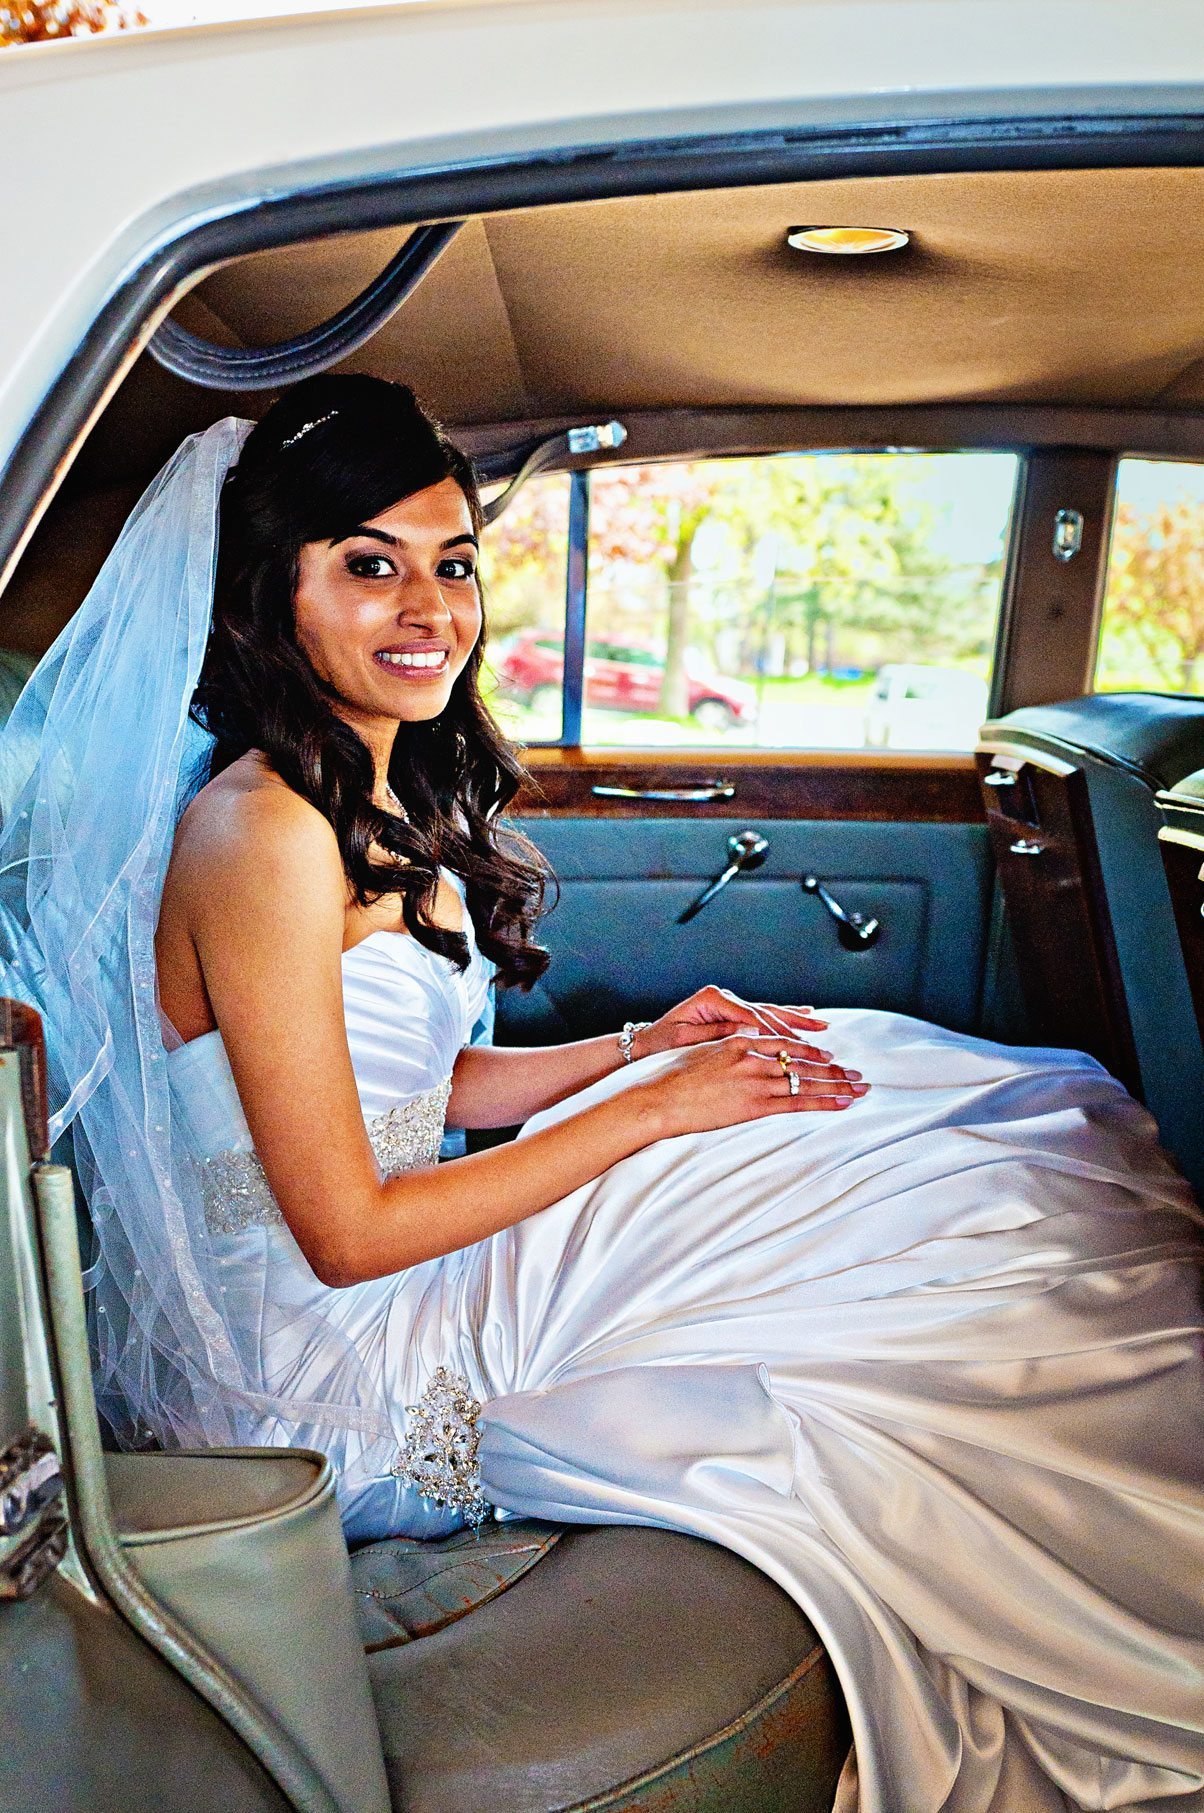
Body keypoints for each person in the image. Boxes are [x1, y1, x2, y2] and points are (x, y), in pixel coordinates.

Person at [1, 374, 1201, 1813]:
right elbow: (344, 1228)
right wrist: (648, 1114)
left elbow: (413, 1086)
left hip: (404, 1260)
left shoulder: (354, 794)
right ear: (274, 594)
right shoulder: (255, 831)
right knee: (858, 1228)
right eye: (369, 566)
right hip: (331, 1363)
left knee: (896, 1119)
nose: (428, 608)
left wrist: (639, 1050)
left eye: (453, 564)